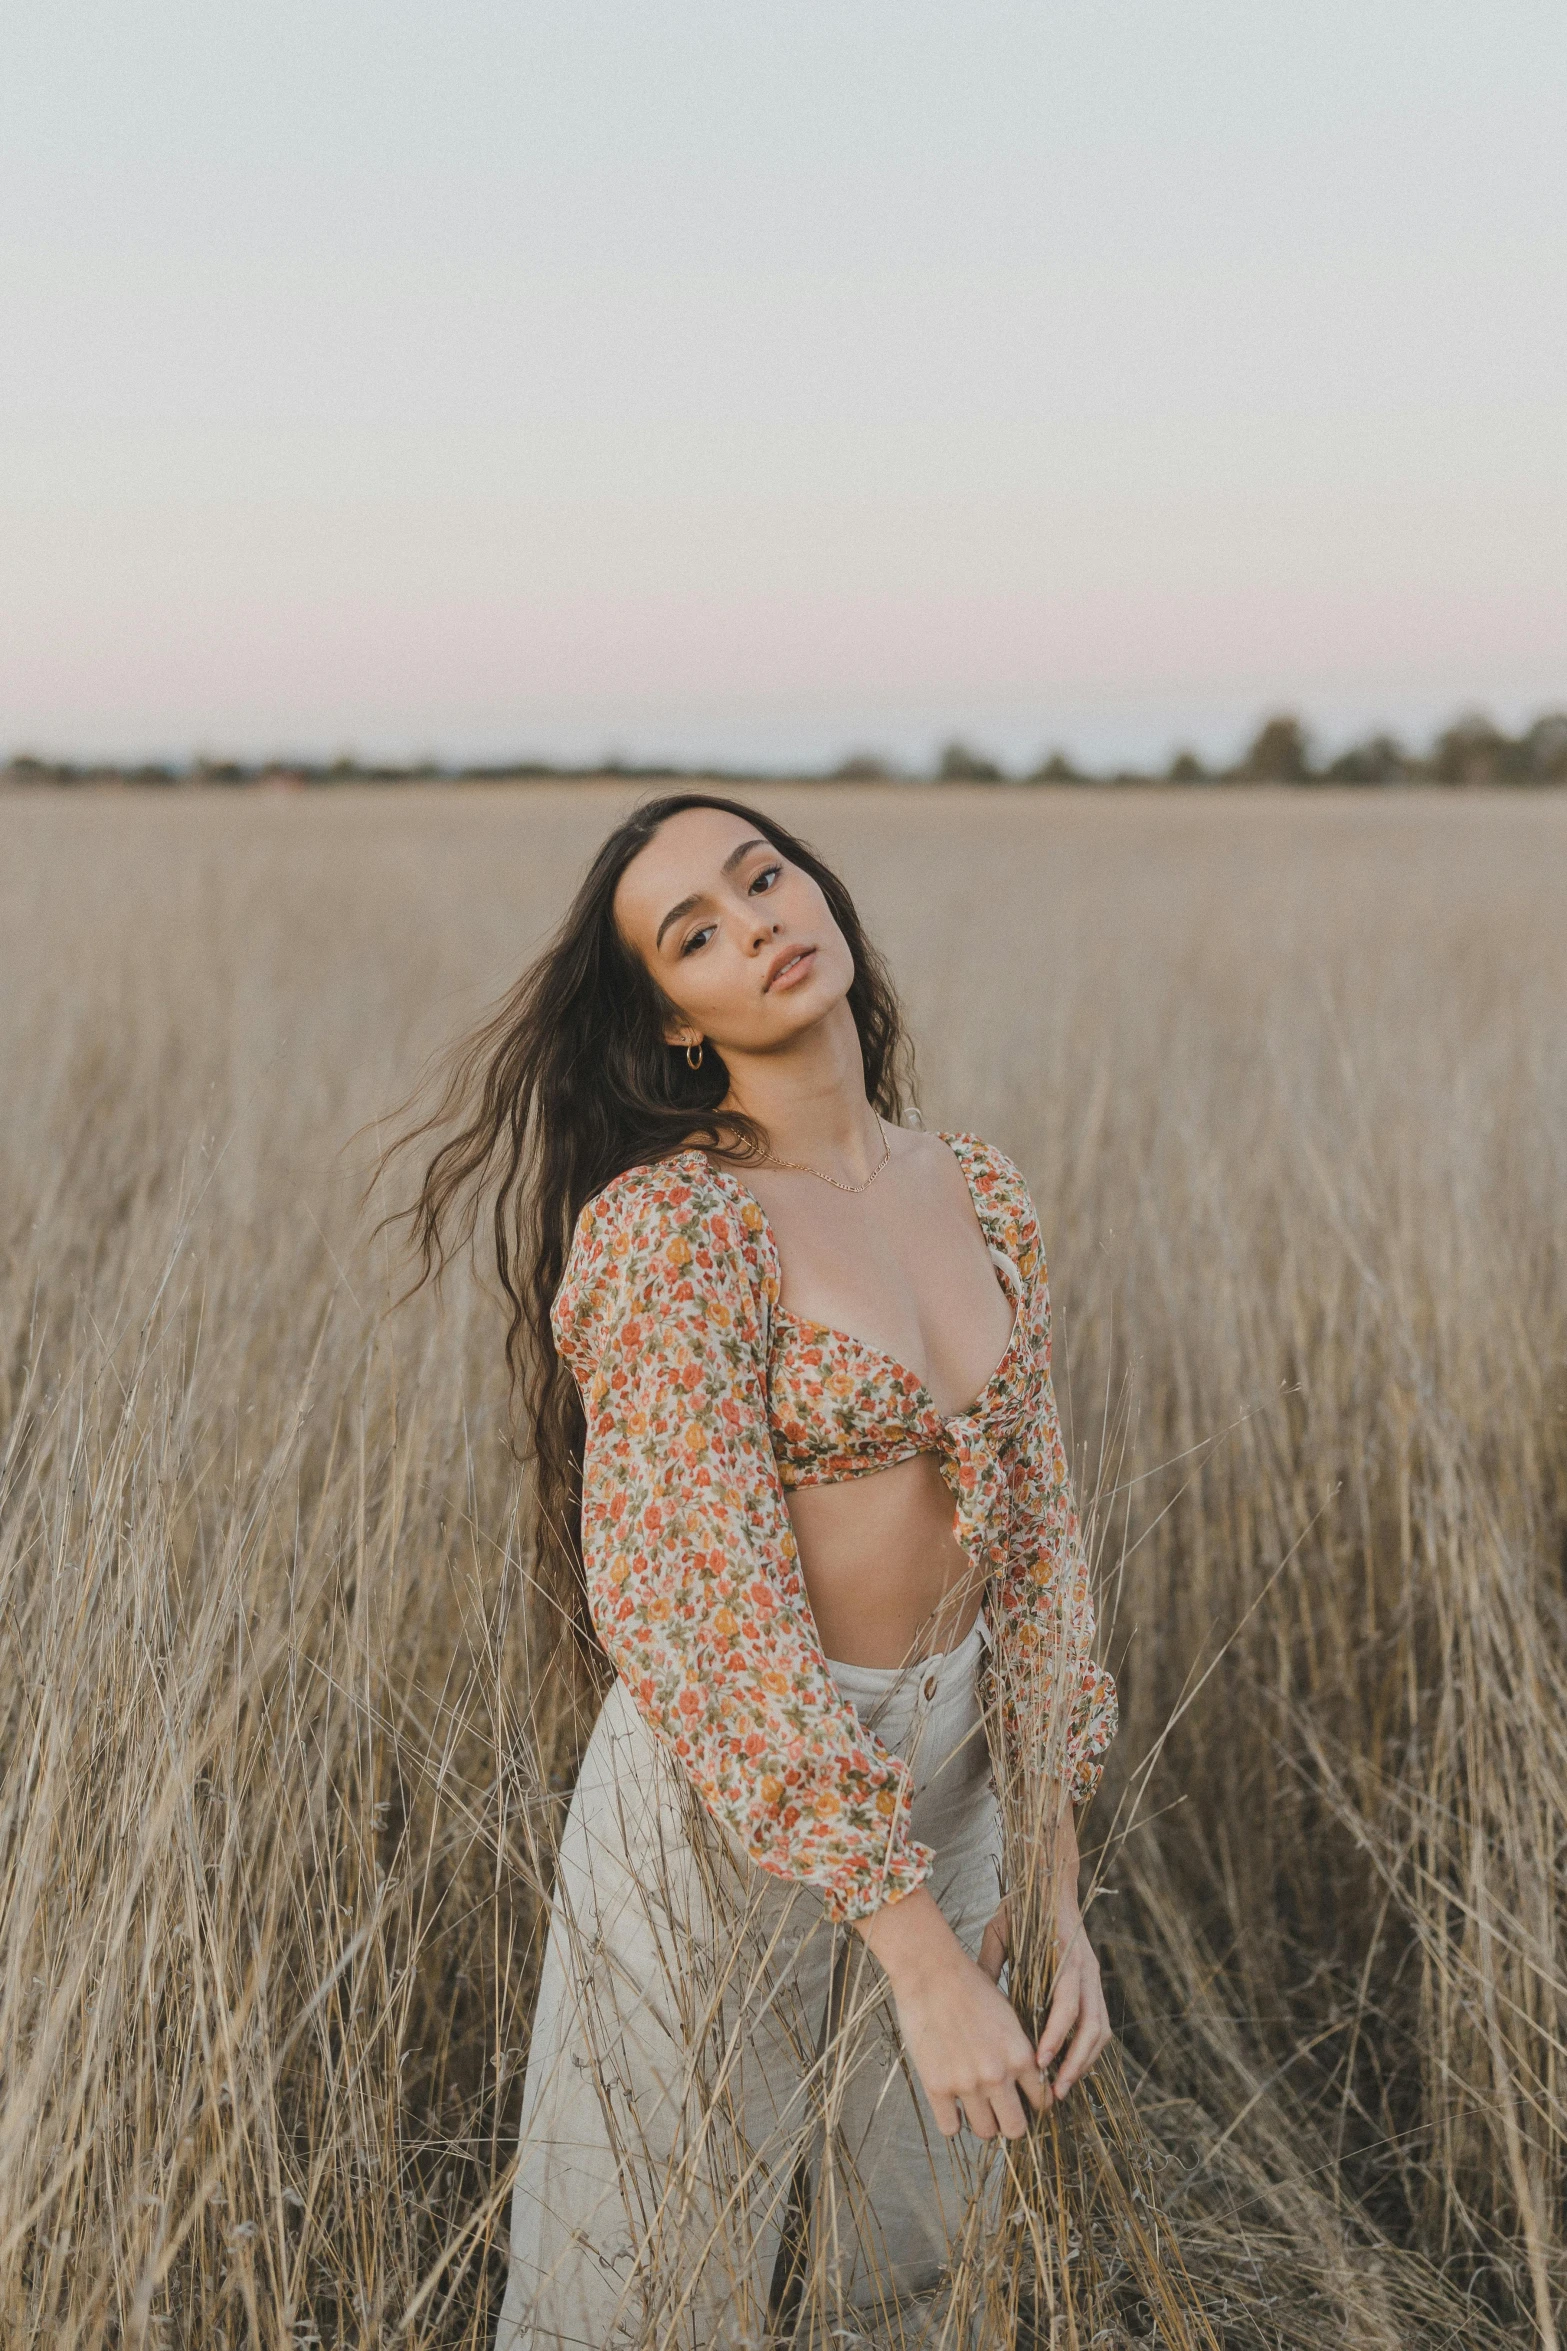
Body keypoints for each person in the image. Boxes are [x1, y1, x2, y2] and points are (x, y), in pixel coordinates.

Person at [390, 794, 1117, 2349]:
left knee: (914, 2268)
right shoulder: (675, 1231)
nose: (757, 924)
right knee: (653, 2283)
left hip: (966, 1775)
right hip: (735, 1801)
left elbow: (1038, 1549)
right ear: (673, 1019)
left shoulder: (976, 1189)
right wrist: (911, 1947)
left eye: (762, 875)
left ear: (822, 890)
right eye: (695, 933)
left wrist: (1047, 1873)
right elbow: (695, 1611)